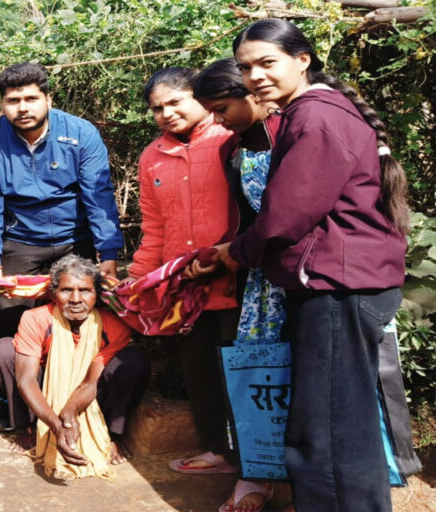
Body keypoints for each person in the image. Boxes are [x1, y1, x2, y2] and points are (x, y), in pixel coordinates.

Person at [214, 19, 408, 512]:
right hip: (342, 283)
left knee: (324, 431)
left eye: (266, 63)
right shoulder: (314, 111)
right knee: (345, 421)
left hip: (337, 287)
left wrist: (234, 252)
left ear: (302, 60)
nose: (255, 76)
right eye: (246, 67)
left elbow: (286, 215)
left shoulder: (315, 117)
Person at [0, 62, 124, 432]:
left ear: (47, 98)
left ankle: (84, 399)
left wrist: (109, 255)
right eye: (12, 100)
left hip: (76, 238)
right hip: (21, 241)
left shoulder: (81, 133)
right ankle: (13, 403)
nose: (23, 107)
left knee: (82, 317)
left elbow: (98, 195)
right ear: (2, 105)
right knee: (13, 323)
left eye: (31, 98)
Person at [128, 67, 241, 489]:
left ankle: (253, 459)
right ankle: (217, 450)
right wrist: (138, 280)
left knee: (242, 370)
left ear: (200, 97)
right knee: (200, 372)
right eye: (157, 108)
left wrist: (233, 254)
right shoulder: (152, 156)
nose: (166, 113)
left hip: (235, 279)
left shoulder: (231, 138)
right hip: (185, 287)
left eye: (175, 102)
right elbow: (154, 226)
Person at [193, 57, 282, 512]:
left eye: (222, 108)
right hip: (258, 282)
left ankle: (305, 484)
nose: (217, 120)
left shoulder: (292, 134)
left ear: (253, 94)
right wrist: (227, 252)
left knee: (304, 378)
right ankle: (256, 474)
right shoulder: (234, 149)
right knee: (258, 376)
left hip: (304, 280)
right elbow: (245, 218)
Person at [0, 254, 149, 474]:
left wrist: (69, 413)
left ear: (97, 294)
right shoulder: (34, 318)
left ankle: (111, 434)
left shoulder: (113, 325)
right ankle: (31, 427)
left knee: (132, 361)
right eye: (66, 290)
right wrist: (55, 425)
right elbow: (26, 380)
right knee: (5, 350)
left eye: (85, 290)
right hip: (45, 384)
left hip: (88, 386)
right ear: (53, 294)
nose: (76, 299)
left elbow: (90, 382)